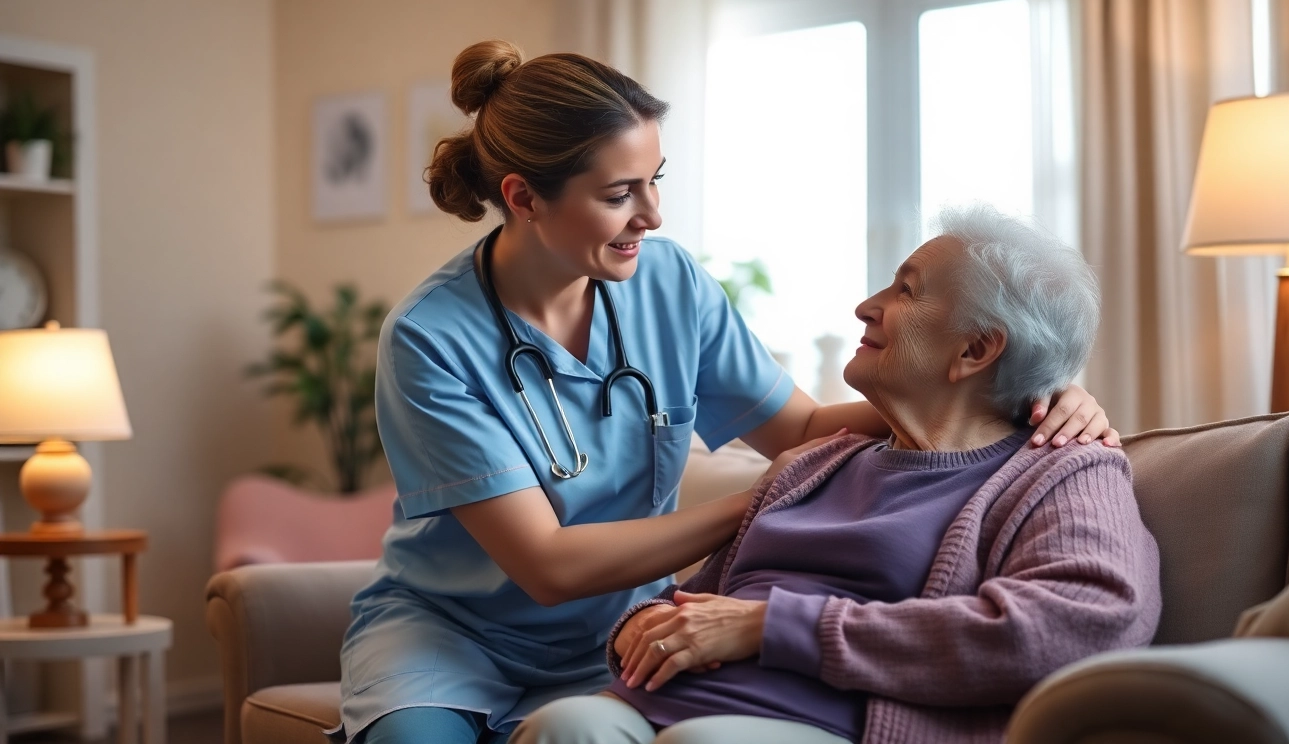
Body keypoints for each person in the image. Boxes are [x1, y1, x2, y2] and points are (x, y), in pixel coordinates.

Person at [336, 41, 1119, 744]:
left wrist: (1025, 390)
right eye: (619, 194)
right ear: (523, 197)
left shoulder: (666, 282)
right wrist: (779, 498)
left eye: (656, 180)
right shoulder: (430, 338)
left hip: (620, 621)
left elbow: (803, 426)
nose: (652, 214)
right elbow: (547, 564)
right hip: (455, 635)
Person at [511, 206, 1162, 744]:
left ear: (975, 349)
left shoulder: (1064, 470)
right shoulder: (821, 461)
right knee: (562, 726)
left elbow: (1079, 624)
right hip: (658, 706)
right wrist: (640, 627)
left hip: (826, 725)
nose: (865, 306)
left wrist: (770, 627)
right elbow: (696, 600)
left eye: (906, 290)